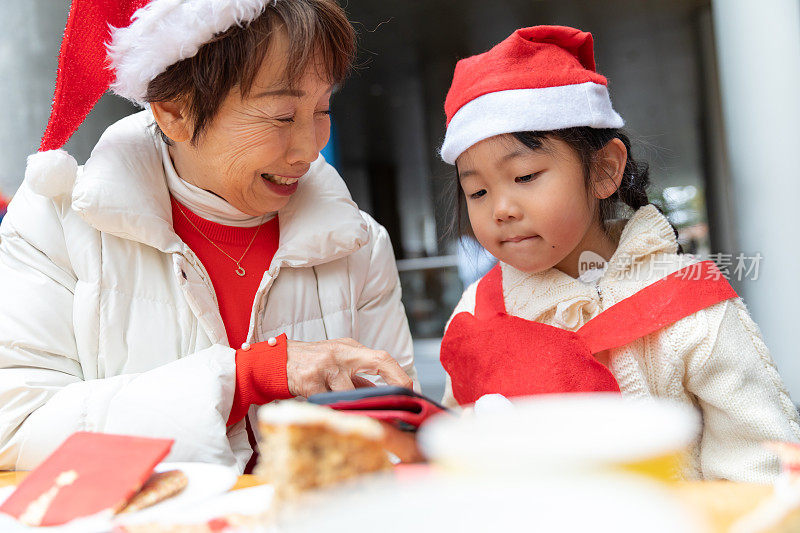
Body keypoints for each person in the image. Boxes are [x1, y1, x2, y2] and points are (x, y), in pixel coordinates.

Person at [0, 0, 416, 473]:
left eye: (322, 109)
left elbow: (399, 434)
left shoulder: (359, 243)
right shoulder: (55, 227)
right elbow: (15, 427)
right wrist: (244, 377)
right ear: (175, 112)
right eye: (282, 116)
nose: (309, 148)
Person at [436, 25, 799, 482]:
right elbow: (458, 447)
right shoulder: (478, 312)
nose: (501, 209)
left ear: (605, 170)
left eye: (525, 176)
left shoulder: (690, 306)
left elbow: (758, 464)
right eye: (478, 190)